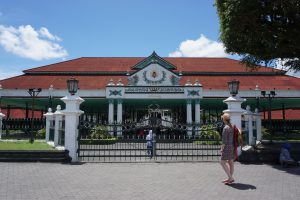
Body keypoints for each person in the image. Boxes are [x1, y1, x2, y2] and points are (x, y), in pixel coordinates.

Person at [220, 113, 235, 185]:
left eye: (222, 118)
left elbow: (224, 140)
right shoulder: (232, 126)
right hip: (231, 146)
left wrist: (222, 148)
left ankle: (230, 178)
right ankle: (230, 178)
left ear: (224, 119)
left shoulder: (226, 128)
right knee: (231, 162)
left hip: (227, 147)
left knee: (222, 162)